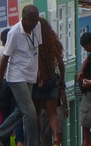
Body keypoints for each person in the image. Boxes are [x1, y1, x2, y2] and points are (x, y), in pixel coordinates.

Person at [0, 5, 43, 146]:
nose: (34, 24)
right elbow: (5, 57)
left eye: (36, 20)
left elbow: (39, 49)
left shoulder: (37, 26)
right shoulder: (14, 33)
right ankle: (32, 143)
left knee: (22, 110)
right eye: (32, 21)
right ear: (24, 19)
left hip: (30, 74)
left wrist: (40, 72)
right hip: (16, 76)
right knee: (30, 112)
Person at [34, 18, 66, 146]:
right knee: (52, 113)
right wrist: (62, 78)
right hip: (52, 78)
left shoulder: (35, 42)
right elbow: (60, 63)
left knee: (37, 113)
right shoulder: (54, 43)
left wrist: (40, 76)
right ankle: (56, 137)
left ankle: (38, 139)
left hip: (37, 79)